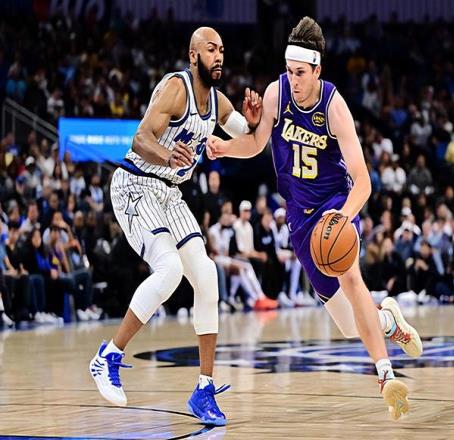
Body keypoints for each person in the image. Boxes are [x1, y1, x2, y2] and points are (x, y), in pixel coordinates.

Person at [207, 17, 423, 420]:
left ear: (317, 70)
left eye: (300, 73)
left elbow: (363, 182)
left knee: (352, 279)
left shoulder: (334, 106)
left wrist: (343, 217)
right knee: (347, 325)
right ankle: (388, 321)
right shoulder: (276, 93)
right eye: (289, 71)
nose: (294, 79)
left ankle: (385, 375)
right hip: (300, 220)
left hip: (336, 204)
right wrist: (224, 147)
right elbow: (256, 143)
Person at [89, 27, 261, 426]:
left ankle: (203, 389)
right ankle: (108, 356)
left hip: (170, 193)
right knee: (169, 270)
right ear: (193, 55)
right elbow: (140, 139)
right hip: (137, 183)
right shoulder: (174, 88)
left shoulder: (218, 104)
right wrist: (167, 157)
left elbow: (249, 138)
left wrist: (254, 124)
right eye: (211, 49)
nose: (219, 56)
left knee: (207, 276)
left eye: (222, 50)